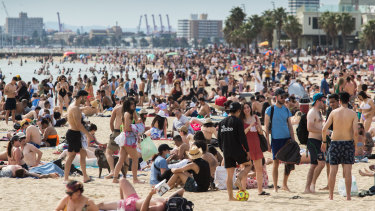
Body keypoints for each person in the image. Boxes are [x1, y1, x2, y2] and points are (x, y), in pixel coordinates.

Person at [322, 92, 358, 200]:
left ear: (339, 101)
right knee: (348, 171)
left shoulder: (334, 112)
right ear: (349, 100)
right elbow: (355, 132)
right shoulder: (353, 114)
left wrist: (324, 142)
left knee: (333, 171)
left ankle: (331, 195)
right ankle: (348, 196)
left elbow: (324, 129)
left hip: (335, 142)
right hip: (347, 142)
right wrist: (355, 145)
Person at [218, 102, 251, 200]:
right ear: (238, 111)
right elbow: (242, 137)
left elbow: (219, 139)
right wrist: (247, 150)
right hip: (237, 149)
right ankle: (239, 179)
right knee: (249, 164)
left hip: (226, 151)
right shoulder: (238, 121)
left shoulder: (221, 122)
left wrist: (223, 150)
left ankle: (230, 197)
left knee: (229, 175)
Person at [264, 88, 295, 192]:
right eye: (282, 97)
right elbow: (266, 127)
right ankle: (275, 187)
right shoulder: (270, 109)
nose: (283, 99)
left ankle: (284, 184)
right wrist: (267, 143)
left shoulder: (286, 109)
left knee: (289, 162)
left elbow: (290, 126)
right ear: (276, 97)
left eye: (284, 97)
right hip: (276, 139)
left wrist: (293, 139)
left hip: (287, 138)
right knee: (276, 163)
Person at [98, 178, 185, 211]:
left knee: (101, 205)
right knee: (122, 180)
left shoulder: (160, 206)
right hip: (134, 198)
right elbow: (181, 190)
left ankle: (85, 207)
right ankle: (121, 199)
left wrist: (150, 194)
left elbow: (144, 210)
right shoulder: (167, 200)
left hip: (129, 205)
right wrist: (173, 186)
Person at [64, 90, 94, 183]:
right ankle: (65, 178)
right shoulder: (75, 108)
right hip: (74, 134)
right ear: (80, 97)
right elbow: (78, 125)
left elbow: (75, 112)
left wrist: (84, 108)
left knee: (83, 154)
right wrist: (88, 135)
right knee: (71, 156)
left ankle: (85, 176)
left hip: (74, 133)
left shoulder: (73, 106)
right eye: (85, 98)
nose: (85, 100)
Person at [240, 102, 269, 195]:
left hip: (256, 145)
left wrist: (258, 128)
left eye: (248, 107)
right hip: (246, 147)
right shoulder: (241, 120)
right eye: (244, 108)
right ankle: (243, 190)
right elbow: (241, 134)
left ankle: (260, 190)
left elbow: (261, 132)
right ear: (242, 110)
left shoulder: (256, 117)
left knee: (259, 169)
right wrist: (249, 126)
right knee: (244, 169)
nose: (247, 109)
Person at [113, 98, 143, 184]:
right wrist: (135, 128)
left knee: (121, 159)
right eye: (132, 104)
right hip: (128, 138)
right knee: (135, 158)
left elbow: (137, 119)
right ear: (128, 105)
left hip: (125, 138)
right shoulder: (127, 114)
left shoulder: (129, 113)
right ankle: (135, 179)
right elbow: (127, 127)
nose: (133, 105)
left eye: (134, 104)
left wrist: (136, 115)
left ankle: (115, 178)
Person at [304, 93, 326, 193]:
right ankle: (312, 185)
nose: (324, 103)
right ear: (317, 101)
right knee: (321, 163)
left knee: (314, 165)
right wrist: (323, 131)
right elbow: (310, 128)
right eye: (323, 101)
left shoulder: (318, 112)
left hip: (318, 141)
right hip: (313, 141)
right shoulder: (312, 112)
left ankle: (308, 188)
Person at [105, 97, 124, 179]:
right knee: (123, 153)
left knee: (109, 152)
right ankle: (120, 172)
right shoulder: (130, 109)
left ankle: (113, 171)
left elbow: (111, 121)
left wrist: (113, 131)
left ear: (120, 101)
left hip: (117, 131)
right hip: (126, 132)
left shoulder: (117, 108)